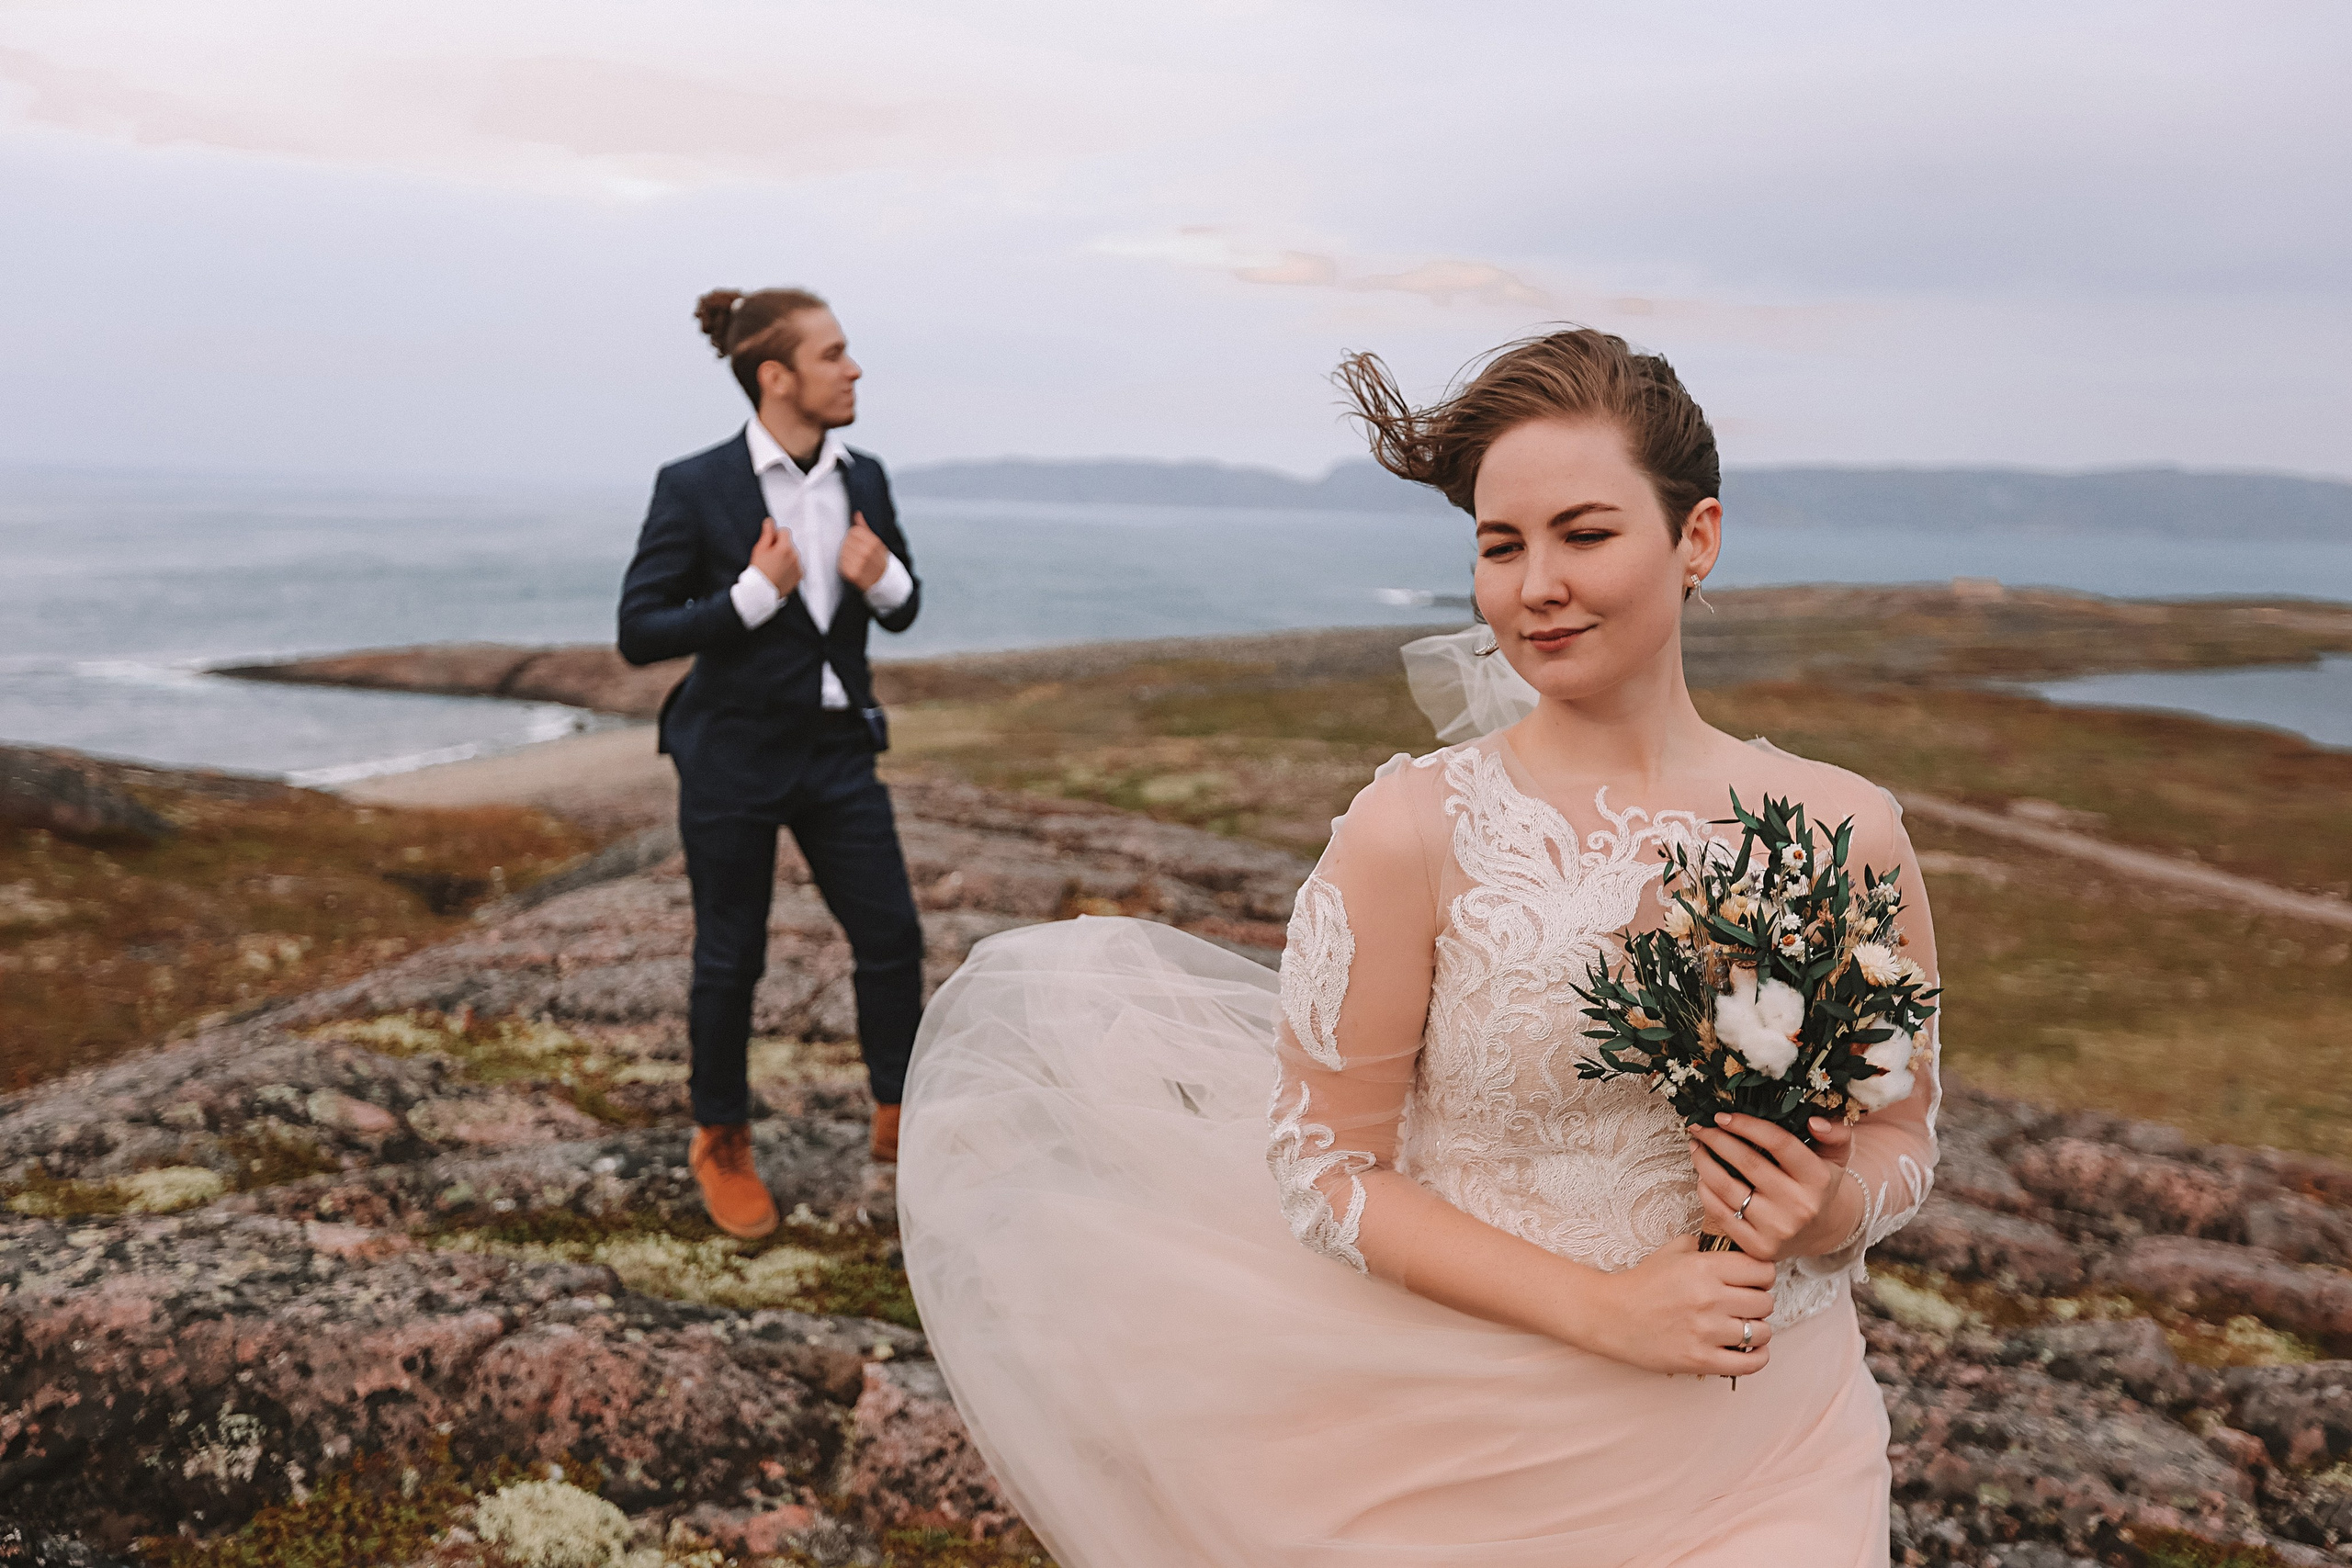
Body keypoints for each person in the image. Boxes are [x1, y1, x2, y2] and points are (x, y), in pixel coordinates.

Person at [897, 329, 1940, 1565]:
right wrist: (1604, 1308)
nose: (1535, 582)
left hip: (1778, 1442)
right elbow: (1323, 1165)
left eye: (1585, 533)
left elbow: (1904, 1127)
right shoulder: (1412, 832)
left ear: (1696, 539)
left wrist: (1825, 1209)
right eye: (1501, 546)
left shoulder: (1843, 826)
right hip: (1476, 1449)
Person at [618, 287, 925, 1240]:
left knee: (892, 941)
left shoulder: (862, 474)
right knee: (730, 957)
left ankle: (898, 1122)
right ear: (775, 376)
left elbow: (903, 602)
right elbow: (639, 631)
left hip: (838, 751)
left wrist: (886, 583)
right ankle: (721, 1141)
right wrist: (752, 595)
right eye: (834, 354)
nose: (855, 368)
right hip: (731, 756)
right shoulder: (694, 485)